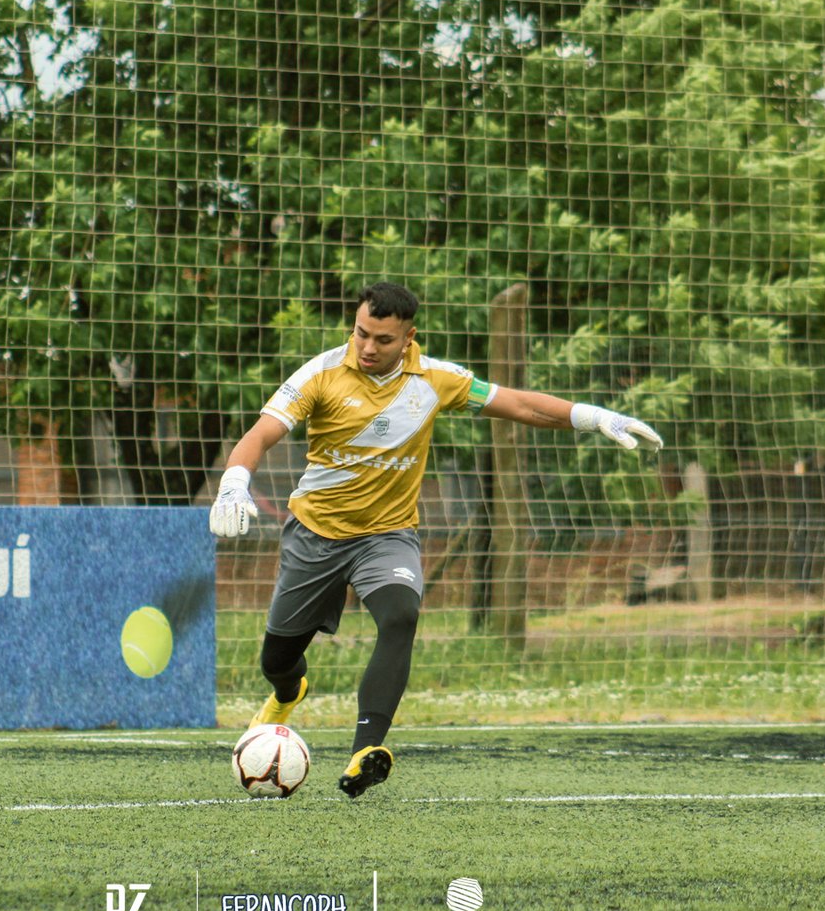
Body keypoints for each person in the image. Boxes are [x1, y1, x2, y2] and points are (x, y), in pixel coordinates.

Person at [209, 282, 662, 798]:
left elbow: (518, 404)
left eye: (383, 339)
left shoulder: (435, 380)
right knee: (277, 659)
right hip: (315, 534)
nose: (367, 347)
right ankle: (288, 693)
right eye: (361, 333)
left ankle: (366, 751)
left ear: (408, 338)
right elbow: (261, 433)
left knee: (401, 615)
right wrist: (234, 481)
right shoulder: (321, 374)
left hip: (387, 536)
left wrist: (594, 417)